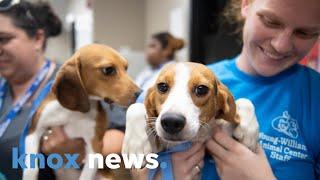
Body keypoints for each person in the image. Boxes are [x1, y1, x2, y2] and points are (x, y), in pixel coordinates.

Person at [157, 0, 320, 179]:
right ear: (245, 5)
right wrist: (155, 174)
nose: (281, 45)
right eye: (270, 21)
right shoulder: (187, 83)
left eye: (304, 33)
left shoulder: (313, 95)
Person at [0, 1, 62, 179]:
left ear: (38, 39)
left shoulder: (70, 85)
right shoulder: (4, 85)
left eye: (3, 39)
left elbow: (117, 137)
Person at [135, 32, 184, 98]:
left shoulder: (175, 72)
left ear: (166, 50)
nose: (147, 50)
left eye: (152, 46)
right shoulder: (148, 69)